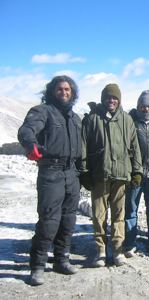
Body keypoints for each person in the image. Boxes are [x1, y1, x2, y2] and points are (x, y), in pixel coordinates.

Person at [18, 75, 82, 286]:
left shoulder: (74, 118)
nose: (64, 93)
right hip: (51, 171)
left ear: (72, 93)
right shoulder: (43, 111)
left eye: (67, 90)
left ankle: (61, 259)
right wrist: (29, 144)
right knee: (49, 220)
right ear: (52, 92)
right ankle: (37, 266)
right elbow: (27, 129)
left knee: (68, 219)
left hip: (71, 172)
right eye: (60, 89)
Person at [80, 83, 142, 267]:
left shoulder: (127, 120)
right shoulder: (92, 119)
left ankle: (117, 250)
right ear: (103, 99)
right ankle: (100, 251)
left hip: (121, 176)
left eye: (115, 98)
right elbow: (83, 147)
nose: (111, 101)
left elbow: (134, 147)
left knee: (119, 215)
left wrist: (137, 170)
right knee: (99, 215)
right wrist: (84, 172)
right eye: (108, 97)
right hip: (99, 175)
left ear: (119, 100)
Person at [124, 90, 149, 256]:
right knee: (131, 209)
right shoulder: (130, 123)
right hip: (135, 175)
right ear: (138, 106)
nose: (146, 109)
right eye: (143, 106)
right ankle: (129, 243)